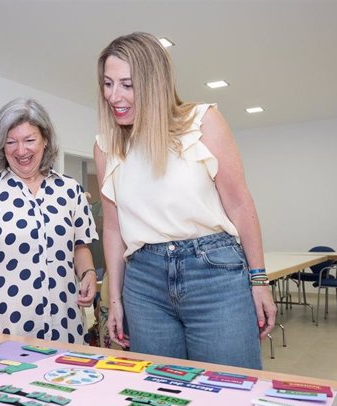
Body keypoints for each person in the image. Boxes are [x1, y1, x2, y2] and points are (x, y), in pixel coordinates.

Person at [94, 32, 276, 369]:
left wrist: (259, 280)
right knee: (162, 394)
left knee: (230, 389)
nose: (114, 96)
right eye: (108, 84)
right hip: (144, 282)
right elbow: (114, 228)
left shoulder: (203, 121)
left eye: (127, 85)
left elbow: (240, 204)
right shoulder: (106, 146)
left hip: (214, 272)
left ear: (154, 83)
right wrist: (115, 299)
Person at [0, 98, 98, 346]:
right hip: (5, 323)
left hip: (65, 322)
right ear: (1, 145)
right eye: (11, 142)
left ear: (45, 140)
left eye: (29, 140)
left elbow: (80, 247)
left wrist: (89, 273)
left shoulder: (70, 190)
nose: (21, 151)